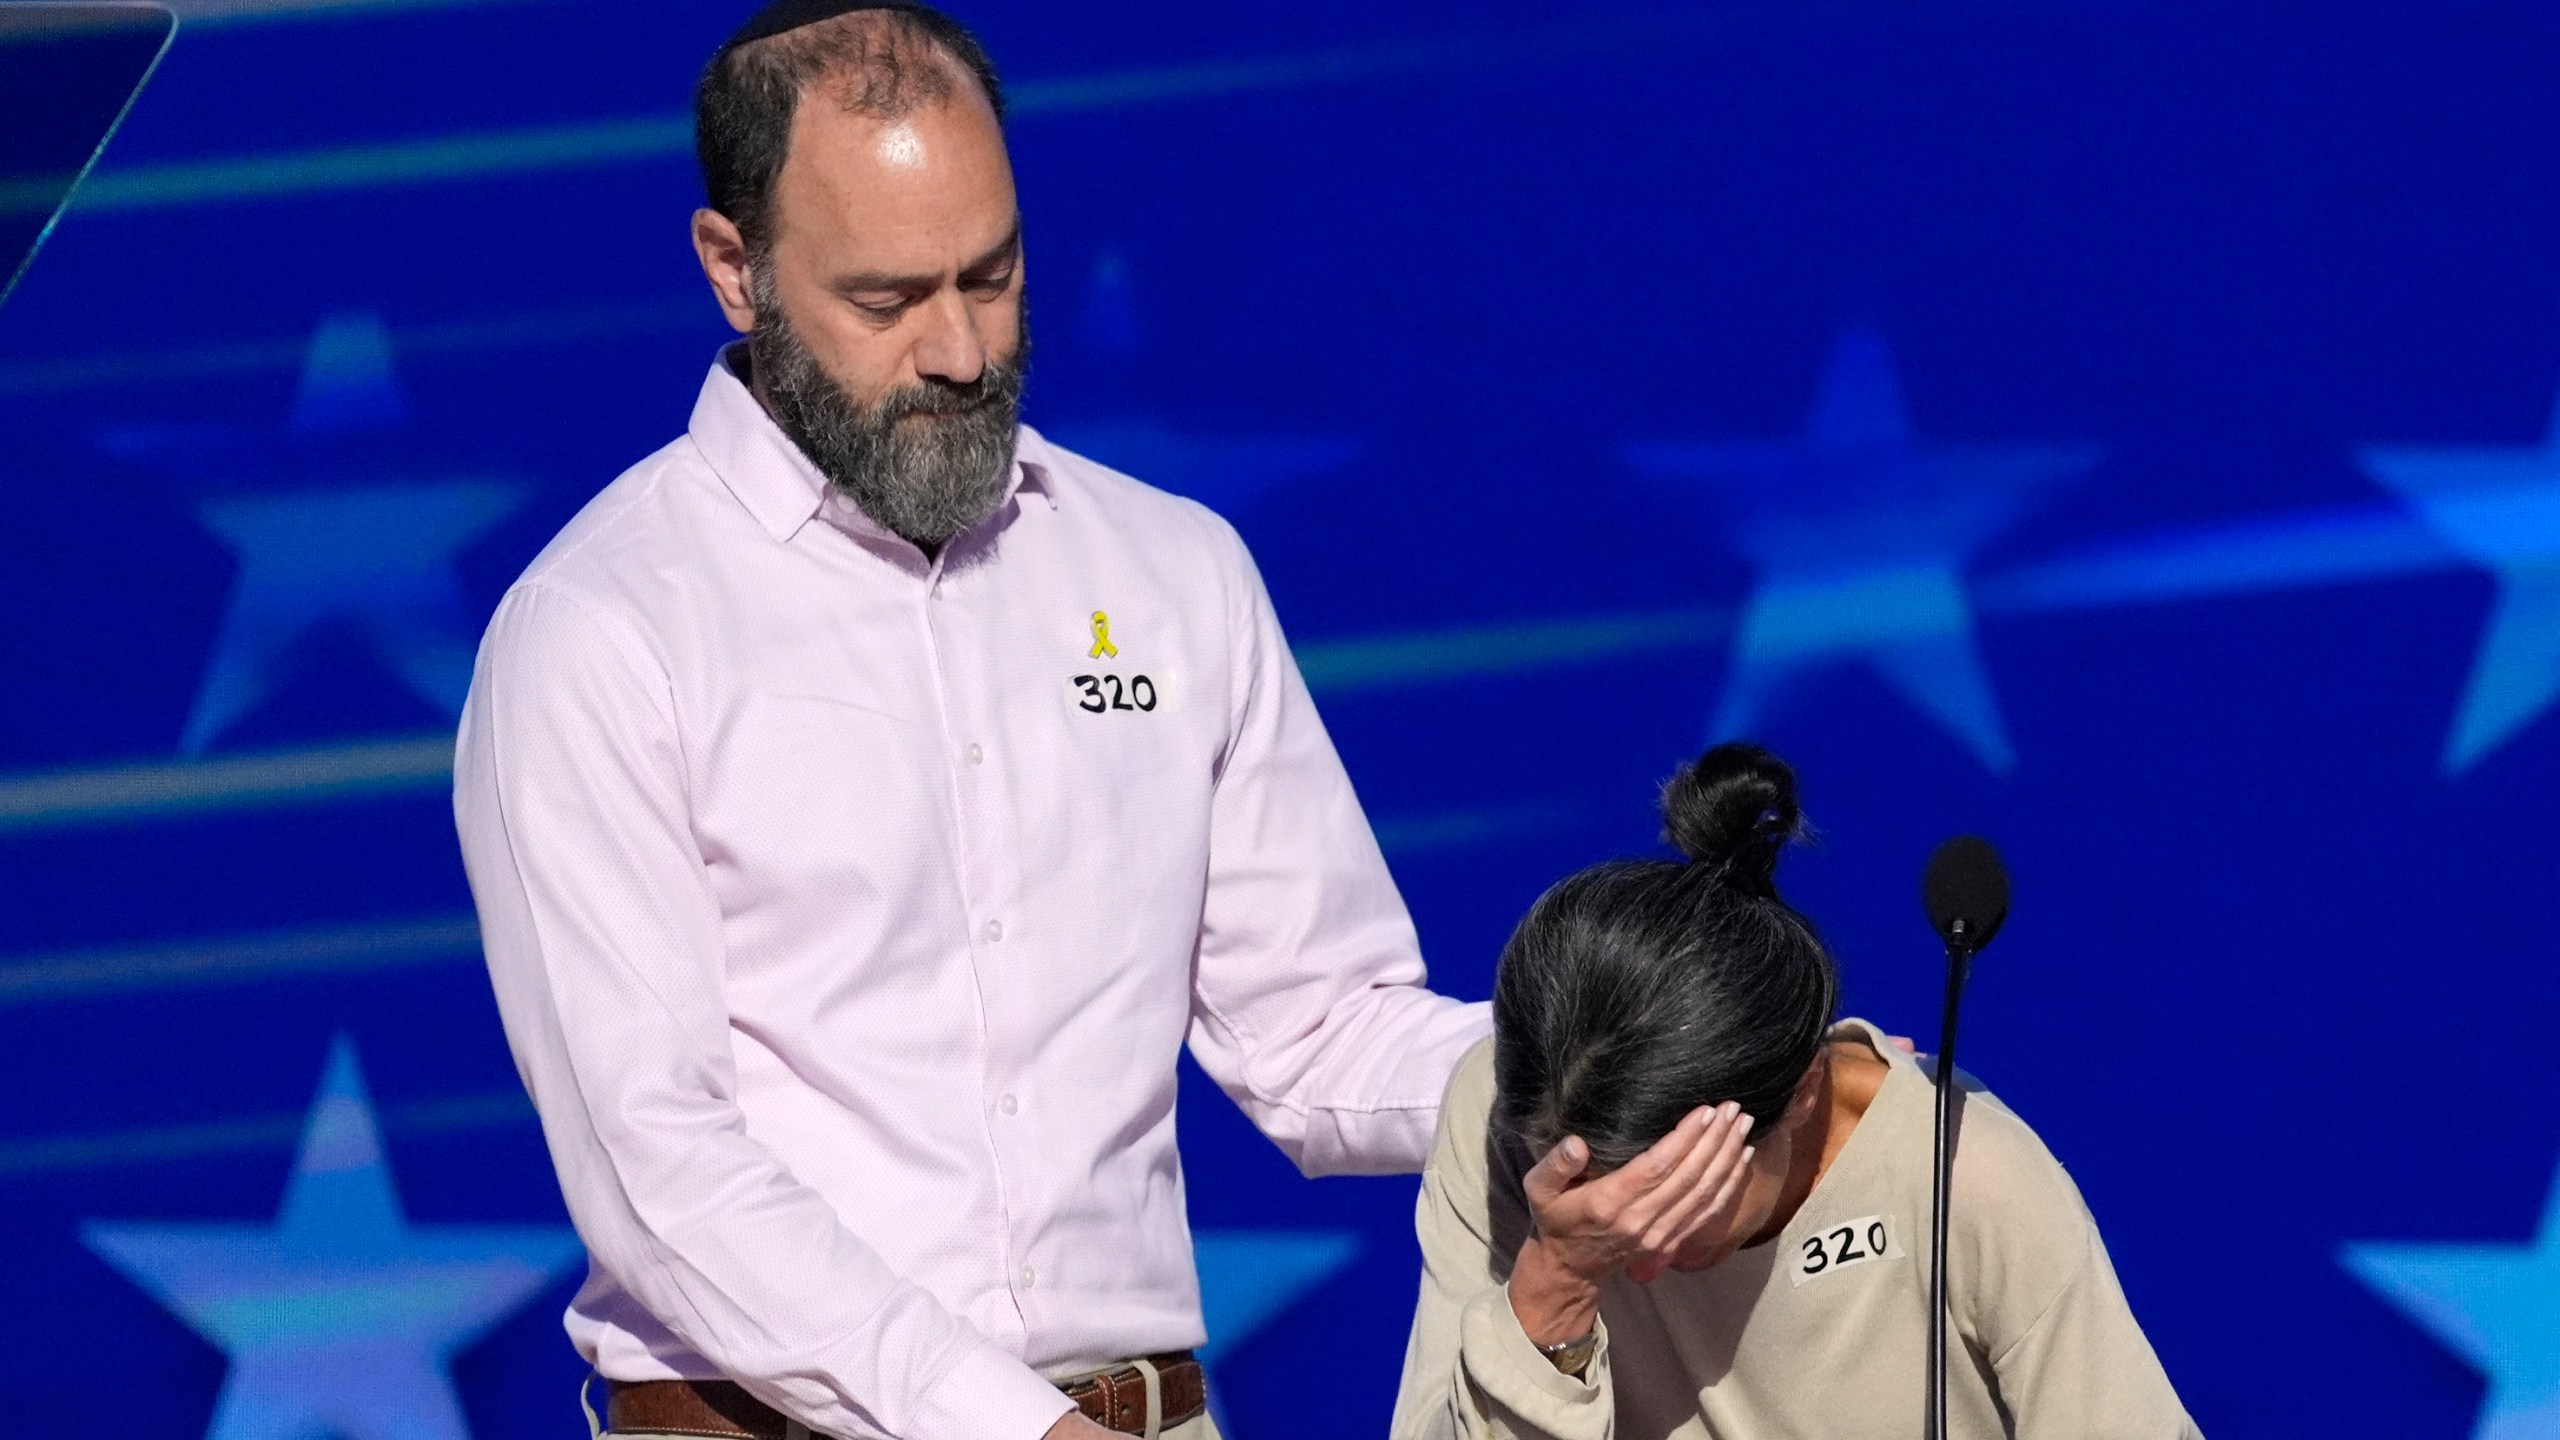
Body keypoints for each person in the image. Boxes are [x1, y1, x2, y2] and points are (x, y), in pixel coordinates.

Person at [450, 5, 1509, 1439]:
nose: (959, 349)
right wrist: (1008, 1424)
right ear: (732, 270)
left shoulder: (1173, 569)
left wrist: (1614, 1063)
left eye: (994, 277)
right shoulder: (601, 627)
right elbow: (659, 1171)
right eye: (886, 301)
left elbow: (1320, 1036)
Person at [1390, 744, 2201, 1440]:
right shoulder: (1497, 1113)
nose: (1638, 1255)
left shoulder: (1971, 1179)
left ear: (1804, 1088)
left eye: (1674, 1194)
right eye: (1591, 1202)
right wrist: (1557, 1285)